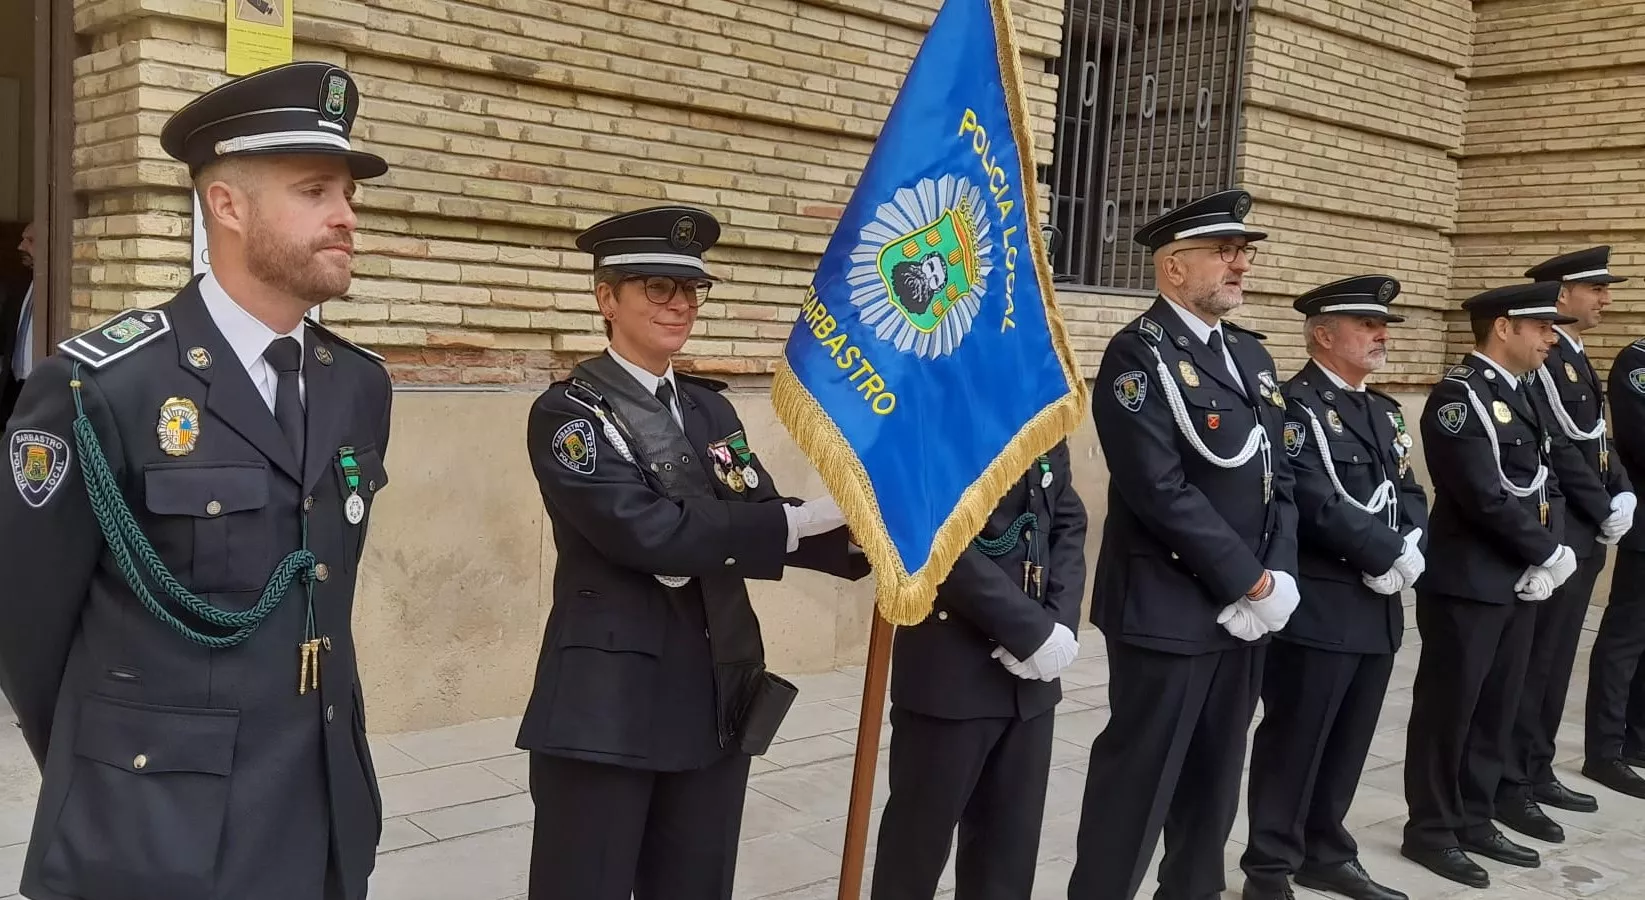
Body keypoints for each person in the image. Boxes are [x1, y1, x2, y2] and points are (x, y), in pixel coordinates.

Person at [0, 61, 393, 900]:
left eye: (349, 194)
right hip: (156, 834)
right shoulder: (102, 386)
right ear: (226, 205)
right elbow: (26, 634)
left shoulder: (357, 383)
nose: (346, 216)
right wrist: (119, 772)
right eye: (316, 190)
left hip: (323, 811)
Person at [518, 204, 872, 900]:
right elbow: (648, 533)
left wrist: (862, 538)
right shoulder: (570, 415)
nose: (680, 304)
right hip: (609, 707)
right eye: (657, 286)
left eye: (690, 289)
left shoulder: (709, 409)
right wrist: (796, 524)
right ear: (605, 298)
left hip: (715, 693)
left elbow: (758, 514)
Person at [1068, 188, 1300, 900]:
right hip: (1168, 610)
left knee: (1211, 787)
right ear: (1173, 267)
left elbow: (1278, 477)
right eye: (1224, 253)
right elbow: (1157, 489)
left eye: (1243, 253)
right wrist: (1248, 583)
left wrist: (1278, 577)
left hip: (1244, 615)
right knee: (1137, 787)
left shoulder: (1248, 356)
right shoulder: (1138, 357)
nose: (1240, 265)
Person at [1240, 276, 1428, 900]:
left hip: (1377, 608)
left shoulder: (1384, 411)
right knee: (1297, 737)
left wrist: (1410, 547)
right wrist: (1382, 549)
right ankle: (1269, 866)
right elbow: (1311, 498)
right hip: (1322, 605)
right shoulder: (1295, 408)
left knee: (1349, 739)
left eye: (1383, 326)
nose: (1381, 335)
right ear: (1324, 334)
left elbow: (1410, 491)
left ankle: (1325, 849)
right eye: (1366, 325)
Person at [1400, 280, 1582, 889]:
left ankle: (1476, 814)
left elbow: (1546, 473)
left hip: (1518, 578)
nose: (1550, 339)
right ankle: (1430, 828)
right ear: (1503, 327)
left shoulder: (1525, 392)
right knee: (1449, 710)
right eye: (1540, 328)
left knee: (1497, 705)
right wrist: (1544, 550)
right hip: (1468, 581)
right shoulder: (1459, 396)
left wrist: (1549, 553)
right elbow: (1481, 493)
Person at [870, 443, 1087, 900]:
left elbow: (1066, 518)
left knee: (1006, 864)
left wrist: (1060, 625)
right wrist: (1030, 631)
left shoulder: (1038, 401)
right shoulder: (933, 404)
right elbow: (929, 530)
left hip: (1030, 684)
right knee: (913, 862)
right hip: (950, 676)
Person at [1496, 247, 1635, 838]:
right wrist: (1605, 506)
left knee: (1555, 664)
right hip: (1565, 527)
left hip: (1586, 526)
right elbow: (1562, 444)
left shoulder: (1574, 357)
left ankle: (1537, 765)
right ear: (1561, 295)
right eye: (1595, 289)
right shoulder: (1547, 364)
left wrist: (1622, 491)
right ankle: (1513, 782)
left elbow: (1599, 441)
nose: (1605, 299)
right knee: (1537, 662)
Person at [1, 220, 37, 422]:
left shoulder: (64, 287)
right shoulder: (18, 285)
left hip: (41, 383)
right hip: (14, 384)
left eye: (30, 240)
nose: (20, 246)